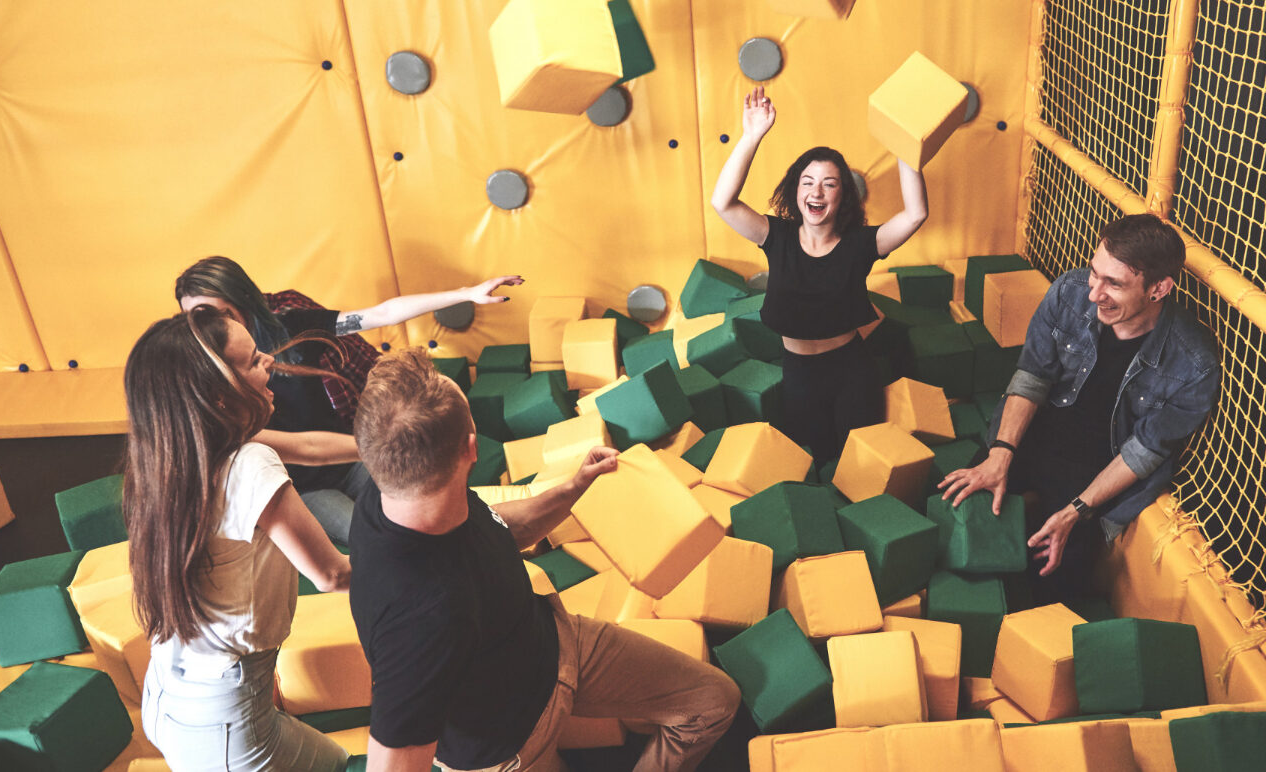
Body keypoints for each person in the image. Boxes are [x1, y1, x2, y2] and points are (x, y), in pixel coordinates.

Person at [348, 349, 740, 772]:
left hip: (555, 642)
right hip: (510, 746)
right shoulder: (421, 620)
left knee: (713, 701)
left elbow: (497, 526)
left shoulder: (396, 492)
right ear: (472, 450)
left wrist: (573, 489)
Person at [938, 214, 1220, 605]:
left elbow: (1142, 454)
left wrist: (1074, 513)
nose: (1094, 294)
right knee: (959, 514)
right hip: (1038, 432)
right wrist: (999, 455)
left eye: (1114, 284)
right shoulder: (1070, 291)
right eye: (1094, 274)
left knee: (1051, 585)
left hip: (1097, 470)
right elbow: (1032, 377)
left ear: (1158, 289)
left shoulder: (1193, 364)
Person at [123, 305, 354, 771]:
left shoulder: (174, 455)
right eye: (252, 361)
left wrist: (395, 444)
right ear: (218, 394)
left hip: (169, 694)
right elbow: (332, 573)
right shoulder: (249, 463)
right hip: (223, 721)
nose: (269, 361)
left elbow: (309, 447)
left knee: (334, 760)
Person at [175, 256, 522, 542]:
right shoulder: (207, 374)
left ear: (241, 301)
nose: (207, 327)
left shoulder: (290, 327)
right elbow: (301, 449)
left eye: (215, 314)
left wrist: (466, 293)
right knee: (372, 534)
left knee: (424, 505)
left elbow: (381, 314)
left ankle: (493, 543)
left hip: (347, 458)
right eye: (195, 319)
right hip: (305, 485)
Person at [710, 86, 930, 461]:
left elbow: (915, 214)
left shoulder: (862, 244)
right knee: (816, 463)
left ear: (843, 196)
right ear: (796, 191)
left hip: (852, 373)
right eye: (808, 182)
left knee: (861, 466)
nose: (818, 191)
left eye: (830, 184)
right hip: (797, 372)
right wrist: (751, 136)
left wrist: (906, 146)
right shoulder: (774, 235)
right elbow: (723, 202)